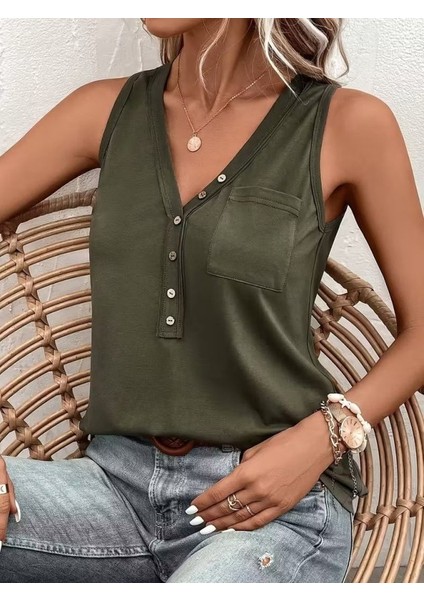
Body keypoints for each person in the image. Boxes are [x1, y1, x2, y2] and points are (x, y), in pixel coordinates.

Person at [0, 18, 423, 583]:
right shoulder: (103, 111)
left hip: (270, 503)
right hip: (112, 488)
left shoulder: (348, 124)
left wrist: (324, 435)